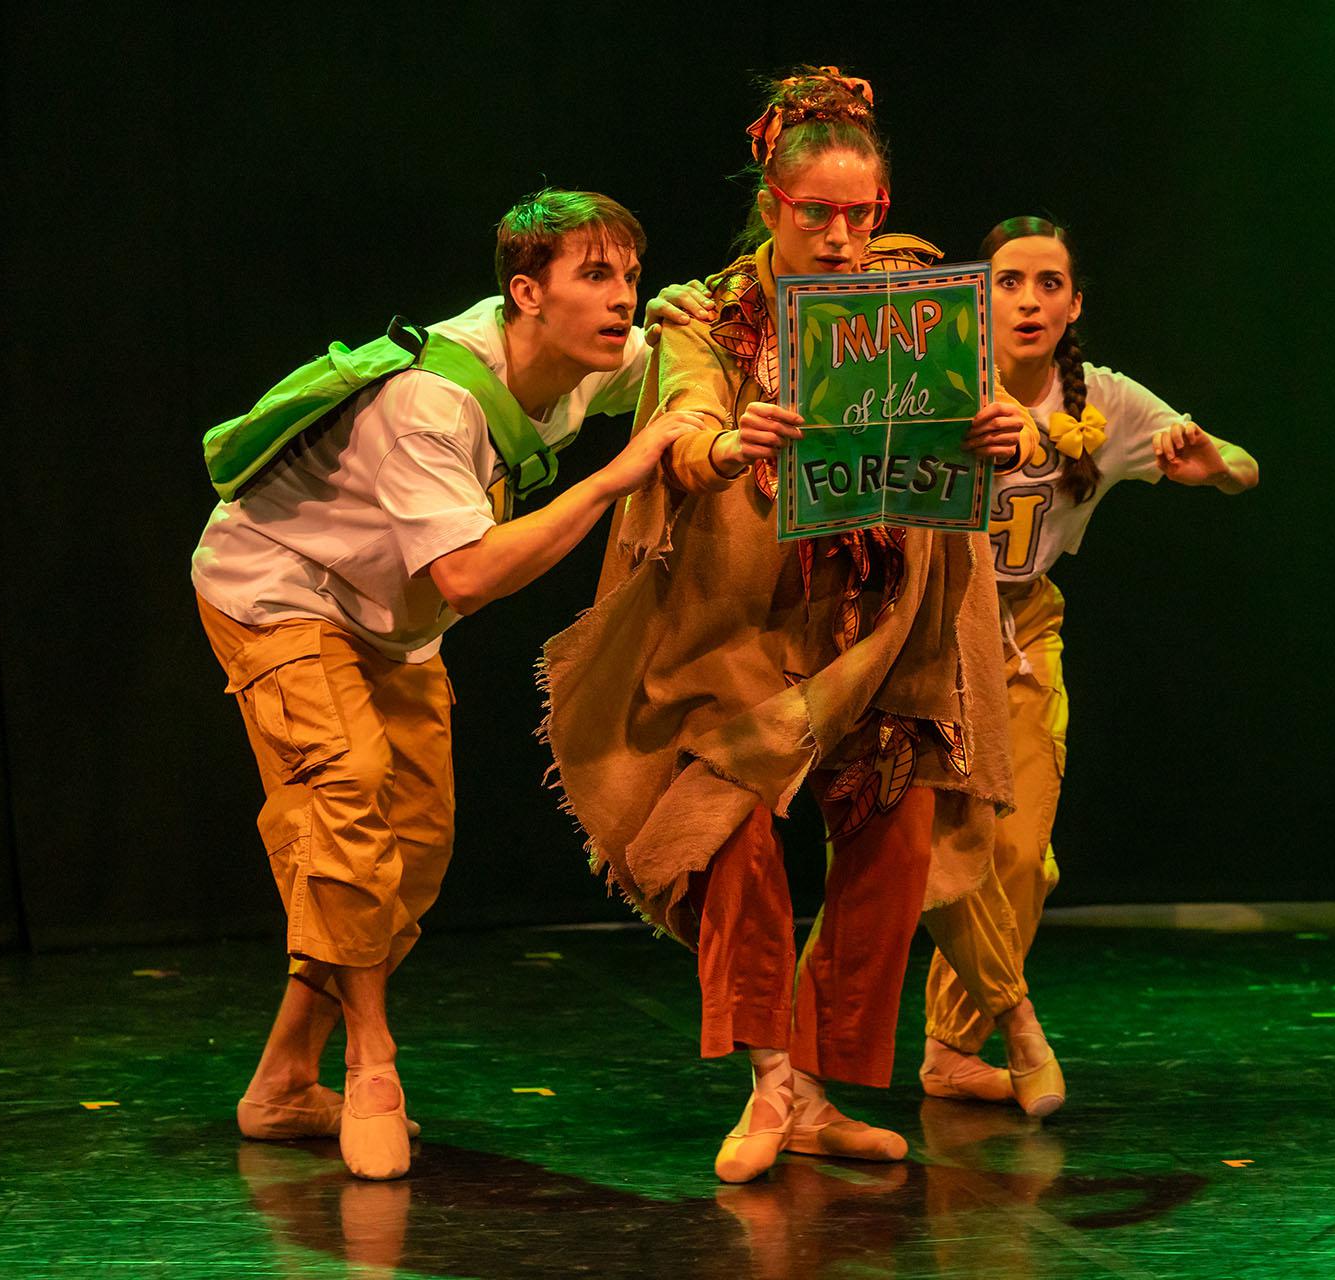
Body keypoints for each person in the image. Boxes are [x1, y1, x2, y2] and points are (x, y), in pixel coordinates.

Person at [539, 67, 1049, 1183]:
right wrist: (723, 447)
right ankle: (770, 1077)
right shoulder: (710, 315)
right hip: (746, 625)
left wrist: (1010, 434)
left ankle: (816, 1088)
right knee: (733, 846)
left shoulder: (914, 296)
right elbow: (682, 420)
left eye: (857, 210)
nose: (838, 231)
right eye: (813, 210)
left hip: (884, 621)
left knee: (898, 837)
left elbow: (995, 410)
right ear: (771, 205)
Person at [190, 188, 711, 1179]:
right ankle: (373, 1061)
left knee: (415, 849)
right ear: (526, 292)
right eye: (595, 275)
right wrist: (613, 479)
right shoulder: (435, 401)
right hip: (279, 586)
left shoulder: (585, 362)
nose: (622, 300)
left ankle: (284, 1076)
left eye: (629, 277)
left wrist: (716, 310)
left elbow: (685, 362)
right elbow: (467, 575)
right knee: (345, 797)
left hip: (392, 621)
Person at [918, 216, 1260, 1108]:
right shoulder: (930, 381)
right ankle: (1001, 1023)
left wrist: (1212, 466)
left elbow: (1244, 467)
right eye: (1007, 281)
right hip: (919, 635)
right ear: (975, 292)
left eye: (1048, 284)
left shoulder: (1102, 400)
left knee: (1023, 857)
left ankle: (953, 1047)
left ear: (1074, 304)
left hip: (1024, 632)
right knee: (925, 852)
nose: (1028, 300)